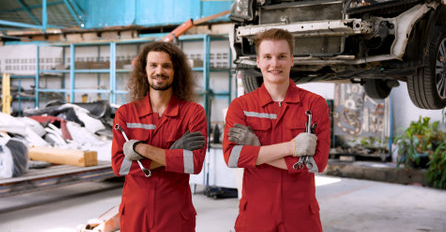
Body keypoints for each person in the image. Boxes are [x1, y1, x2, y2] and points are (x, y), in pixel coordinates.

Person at [223, 28, 330, 232]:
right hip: (256, 216)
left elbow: (317, 163)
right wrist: (292, 148)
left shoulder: (314, 105)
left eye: (281, 56)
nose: (274, 63)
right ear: (258, 61)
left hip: (300, 218)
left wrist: (256, 149)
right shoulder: (241, 106)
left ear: (291, 60)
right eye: (268, 57)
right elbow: (233, 158)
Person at [111, 42, 208, 232]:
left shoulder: (193, 113)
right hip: (135, 214)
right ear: (144, 70)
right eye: (153, 65)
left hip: (174, 214)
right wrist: (172, 154)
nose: (159, 71)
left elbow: (194, 164)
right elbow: (120, 166)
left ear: (176, 71)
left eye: (166, 66)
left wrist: (143, 150)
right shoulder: (126, 114)